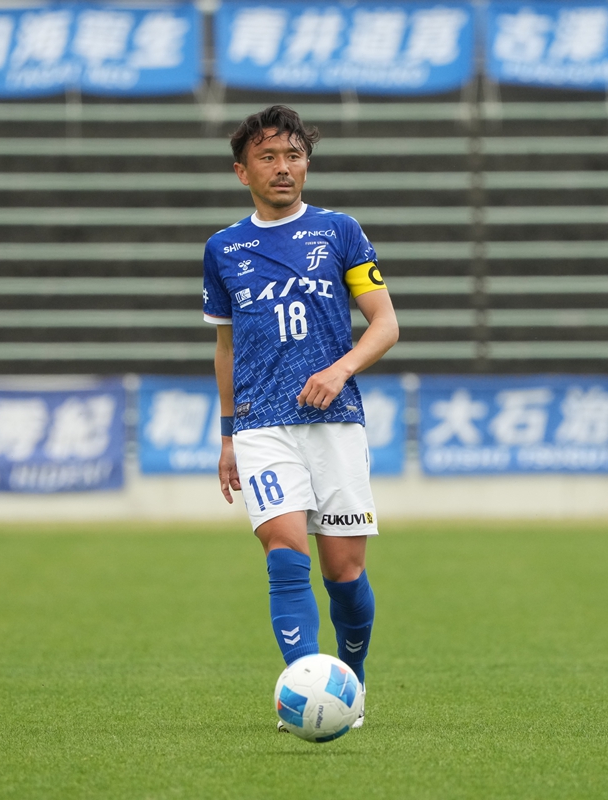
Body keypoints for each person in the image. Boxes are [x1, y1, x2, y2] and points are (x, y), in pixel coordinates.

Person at [202, 105, 399, 731]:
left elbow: (386, 325)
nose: (283, 167)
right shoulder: (223, 248)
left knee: (345, 575)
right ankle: (306, 691)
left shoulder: (341, 231)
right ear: (243, 172)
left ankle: (350, 683)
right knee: (286, 556)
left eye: (293, 155)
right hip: (261, 425)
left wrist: (341, 369)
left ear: (306, 164)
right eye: (267, 157)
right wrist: (228, 437)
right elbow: (226, 347)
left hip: (336, 422)